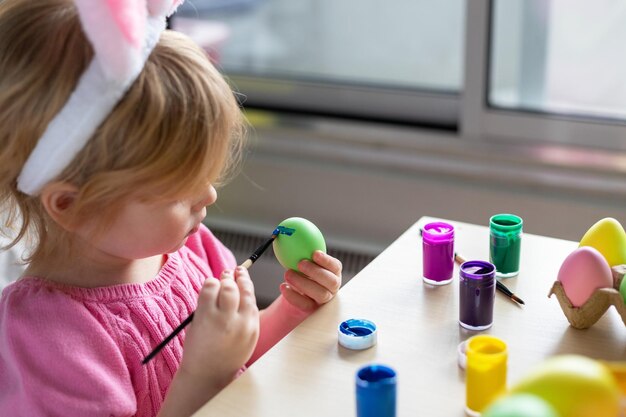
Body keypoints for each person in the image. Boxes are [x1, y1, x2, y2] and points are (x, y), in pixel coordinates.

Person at [0, 1, 343, 417]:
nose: (209, 196)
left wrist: (292, 308)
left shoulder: (191, 249)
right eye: (179, 189)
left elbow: (241, 358)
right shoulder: (48, 336)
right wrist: (203, 375)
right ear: (73, 205)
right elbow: (218, 372)